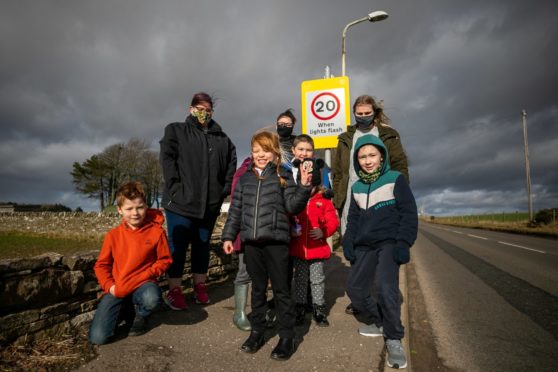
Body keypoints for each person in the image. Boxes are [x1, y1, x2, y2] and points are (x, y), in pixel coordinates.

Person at [222, 131, 312, 361]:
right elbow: (235, 211)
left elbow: (293, 207)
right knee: (258, 290)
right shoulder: (245, 179)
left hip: (276, 243)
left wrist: (303, 186)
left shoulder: (284, 176)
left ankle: (287, 336)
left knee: (281, 290)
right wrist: (228, 237)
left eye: (265, 150)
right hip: (252, 244)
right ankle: (258, 331)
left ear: (274, 152)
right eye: (255, 150)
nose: (260, 155)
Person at [342, 135, 417, 369]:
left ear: (382, 156)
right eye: (362, 156)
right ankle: (381, 321)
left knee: (386, 288)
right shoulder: (356, 187)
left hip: (389, 243)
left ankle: (394, 338)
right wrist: (348, 241)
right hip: (365, 245)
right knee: (354, 289)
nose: (367, 160)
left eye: (372, 155)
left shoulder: (395, 179)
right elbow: (353, 220)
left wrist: (403, 243)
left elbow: (408, 213)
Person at [332, 94, 409, 315]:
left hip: (381, 199)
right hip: (352, 199)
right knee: (355, 248)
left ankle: (382, 296)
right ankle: (360, 296)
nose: (363, 117)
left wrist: (399, 193)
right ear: (354, 114)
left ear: (374, 113)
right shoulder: (345, 138)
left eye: (368, 113)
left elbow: (400, 165)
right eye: (359, 113)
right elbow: (339, 172)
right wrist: (339, 198)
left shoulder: (388, 135)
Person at [160, 92, 237, 310]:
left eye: (208, 110)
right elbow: (167, 159)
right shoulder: (176, 130)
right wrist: (175, 188)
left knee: (202, 246)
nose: (203, 113)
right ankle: (174, 290)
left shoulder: (223, 139)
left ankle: (200, 287)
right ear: (190, 108)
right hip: (180, 203)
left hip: (209, 205)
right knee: (178, 246)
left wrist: (222, 192)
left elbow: (231, 166)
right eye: (199, 108)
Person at [89, 181, 172, 345]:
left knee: (152, 299)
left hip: (144, 284)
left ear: (146, 206)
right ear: (119, 210)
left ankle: (141, 314)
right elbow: (101, 265)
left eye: (140, 207)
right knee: (98, 338)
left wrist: (148, 274)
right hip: (118, 287)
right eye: (129, 208)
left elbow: (164, 260)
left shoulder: (157, 232)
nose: (135, 213)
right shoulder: (113, 235)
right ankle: (126, 309)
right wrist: (110, 286)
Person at [289, 157, 339, 327]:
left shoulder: (324, 201)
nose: (309, 187)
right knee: (301, 280)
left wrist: (323, 231)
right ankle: (300, 308)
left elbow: (333, 221)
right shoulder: (296, 200)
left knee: (317, 280)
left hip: (316, 250)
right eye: (306, 183)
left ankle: (319, 310)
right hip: (299, 250)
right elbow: (289, 217)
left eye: (312, 183)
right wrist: (291, 230)